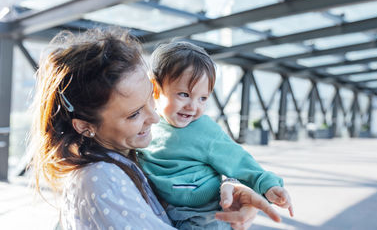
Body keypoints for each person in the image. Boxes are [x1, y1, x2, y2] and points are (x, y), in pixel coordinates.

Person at [29, 28, 285, 230]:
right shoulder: (100, 179)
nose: (153, 118)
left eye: (149, 100)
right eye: (134, 113)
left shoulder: (122, 155)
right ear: (85, 127)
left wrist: (229, 188)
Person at [138, 41, 294, 229]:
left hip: (204, 214)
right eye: (184, 94)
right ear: (155, 88)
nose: (193, 106)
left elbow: (238, 160)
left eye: (203, 98)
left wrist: (268, 185)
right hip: (165, 209)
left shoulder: (205, 130)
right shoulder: (147, 123)